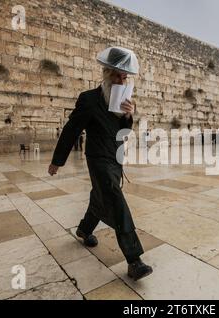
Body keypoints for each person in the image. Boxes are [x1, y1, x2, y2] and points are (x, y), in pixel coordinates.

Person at [48, 47, 153, 281]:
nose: (120, 80)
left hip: (115, 159)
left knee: (100, 196)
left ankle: (84, 230)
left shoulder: (123, 102)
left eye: (124, 77)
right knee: (115, 199)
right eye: (116, 75)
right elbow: (71, 130)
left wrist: (128, 116)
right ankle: (134, 260)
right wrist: (58, 160)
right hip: (97, 159)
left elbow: (124, 134)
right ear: (106, 74)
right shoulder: (89, 99)